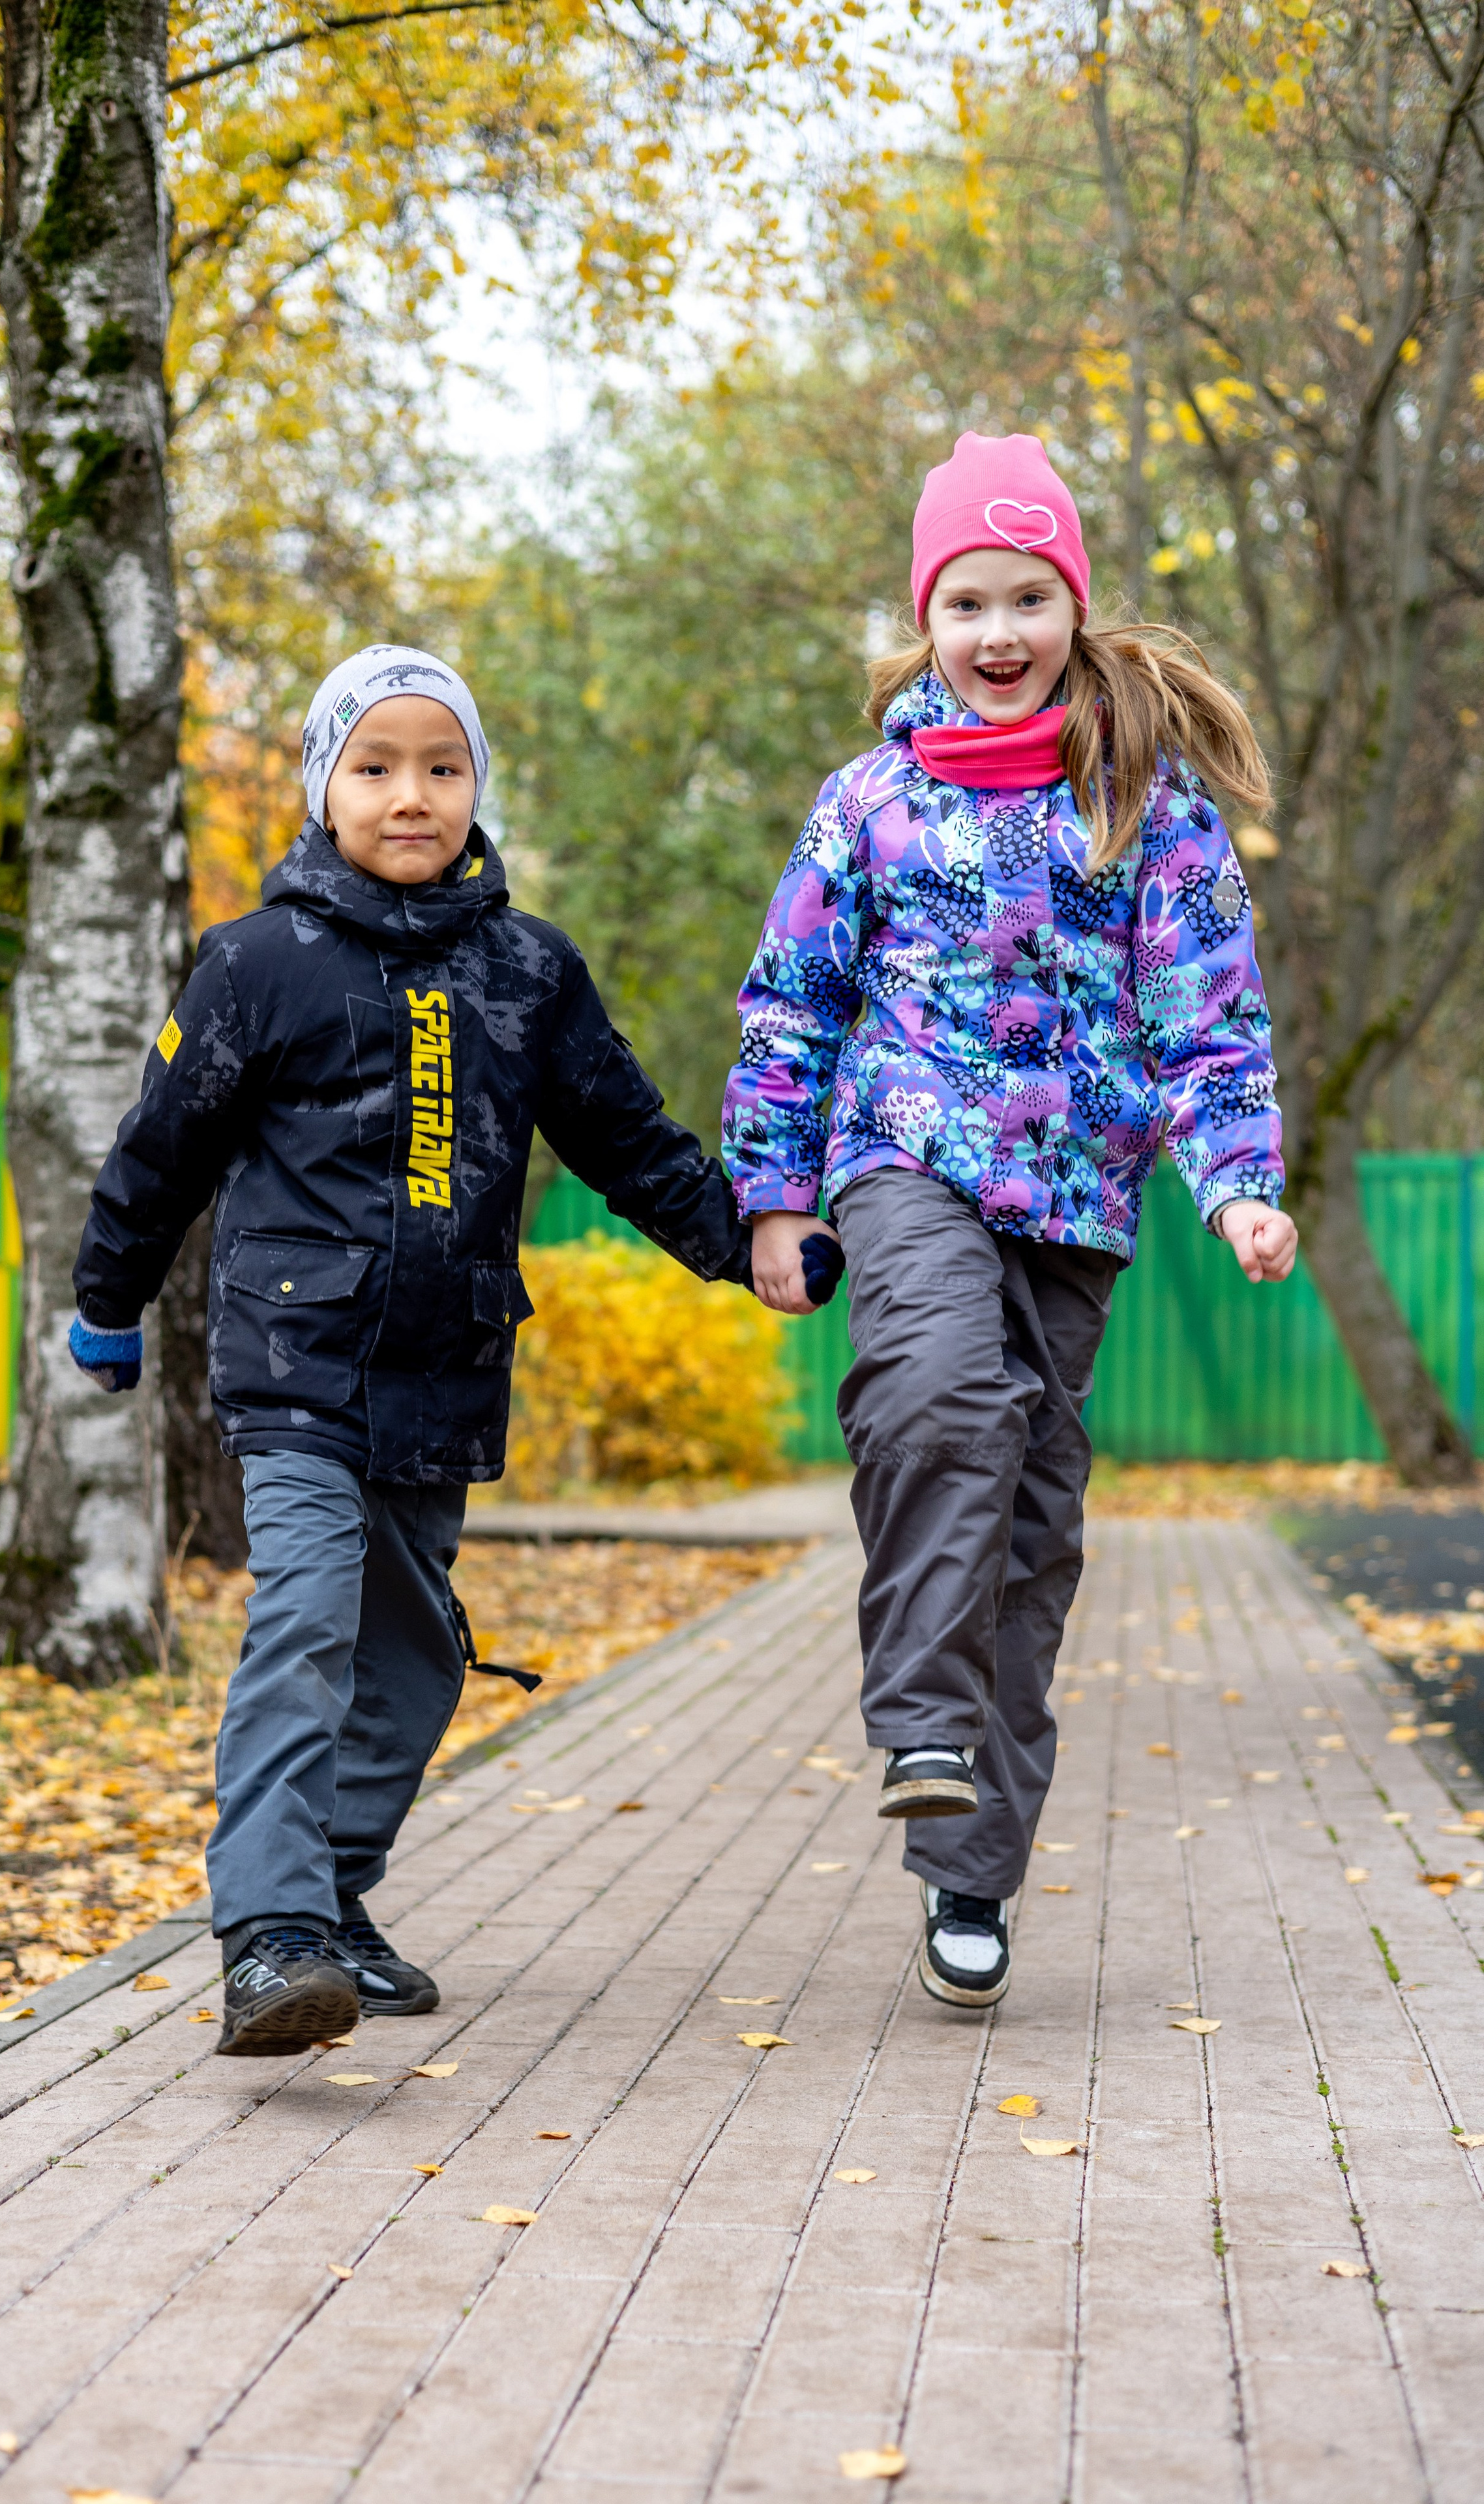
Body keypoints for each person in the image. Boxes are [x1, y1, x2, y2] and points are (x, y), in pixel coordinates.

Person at [68, 648, 752, 2054]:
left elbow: (625, 1135)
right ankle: (268, 1937)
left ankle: (330, 1898)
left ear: (476, 788)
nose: (410, 795)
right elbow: (160, 1145)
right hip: (294, 1364)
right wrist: (108, 1298)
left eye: (442, 768)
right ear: (325, 787)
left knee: (417, 1662)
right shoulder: (258, 961)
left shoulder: (526, 969)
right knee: (307, 1621)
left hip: (441, 1375)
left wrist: (748, 1247)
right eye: (374, 766)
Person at [724, 432, 1298, 2010]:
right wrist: (773, 1194)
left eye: (1025, 597)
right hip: (904, 1148)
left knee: (1033, 1530)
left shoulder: (1143, 807)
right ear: (925, 618)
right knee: (937, 1394)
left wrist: (1237, 1181)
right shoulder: (867, 805)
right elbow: (792, 1002)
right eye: (964, 598)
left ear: (1069, 608)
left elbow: (1208, 1016)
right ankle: (916, 1713)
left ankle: (965, 1875)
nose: (995, 630)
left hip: (1073, 1199)